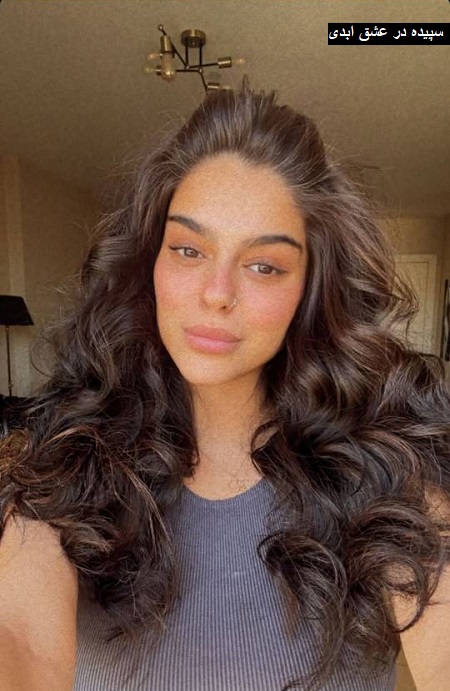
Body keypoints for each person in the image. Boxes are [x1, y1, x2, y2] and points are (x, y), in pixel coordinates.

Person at [1, 83, 450, 691]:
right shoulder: (64, 466)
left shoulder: (392, 479)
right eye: (188, 250)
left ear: (310, 288)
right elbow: (21, 644)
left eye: (264, 265)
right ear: (149, 263)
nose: (217, 293)